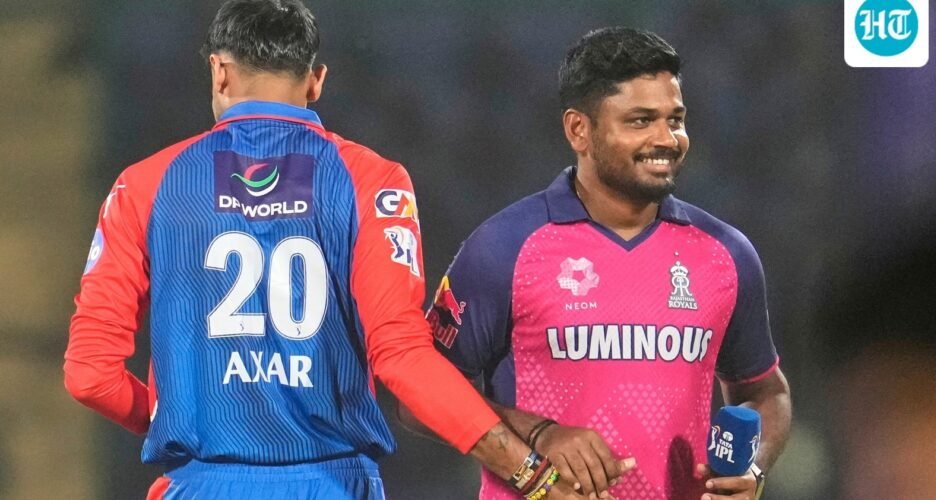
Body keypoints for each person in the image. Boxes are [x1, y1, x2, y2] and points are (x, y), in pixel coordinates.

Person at [63, 1, 619, 498]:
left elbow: (89, 375)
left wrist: (175, 420)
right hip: (333, 483)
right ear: (316, 81)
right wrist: (534, 477)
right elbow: (403, 358)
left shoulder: (144, 185)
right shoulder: (372, 181)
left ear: (219, 71)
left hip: (202, 483)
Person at [412, 27, 791, 500]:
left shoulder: (725, 255)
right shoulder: (505, 247)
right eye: (640, 121)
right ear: (579, 130)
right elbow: (422, 394)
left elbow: (766, 392)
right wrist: (538, 434)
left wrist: (752, 468)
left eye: (675, 120)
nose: (667, 139)